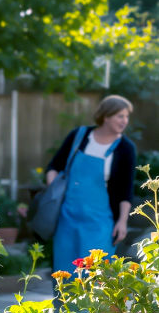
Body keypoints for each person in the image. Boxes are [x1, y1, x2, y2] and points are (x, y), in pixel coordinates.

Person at [45, 95, 137, 274]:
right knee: (65, 273)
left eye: (127, 116)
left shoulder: (126, 148)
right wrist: (53, 192)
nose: (124, 121)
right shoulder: (79, 136)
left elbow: (126, 190)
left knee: (96, 274)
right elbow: (54, 167)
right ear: (106, 116)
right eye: (120, 116)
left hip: (100, 223)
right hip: (66, 218)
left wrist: (123, 222)